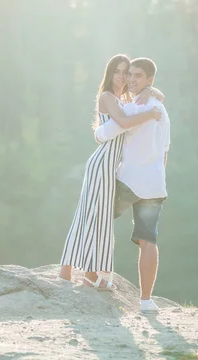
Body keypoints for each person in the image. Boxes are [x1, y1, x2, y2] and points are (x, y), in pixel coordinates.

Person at [59, 54, 164, 289]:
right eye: (117, 72)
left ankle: (66, 270)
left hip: (110, 165)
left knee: (89, 213)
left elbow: (154, 98)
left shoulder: (124, 98)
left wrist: (152, 91)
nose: (122, 77)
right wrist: (150, 113)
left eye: (126, 72)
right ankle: (90, 274)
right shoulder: (107, 96)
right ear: (109, 74)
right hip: (103, 163)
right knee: (98, 217)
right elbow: (125, 123)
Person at [94, 57, 170, 313]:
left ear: (149, 79)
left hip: (129, 181)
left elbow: (106, 132)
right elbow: (165, 152)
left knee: (97, 217)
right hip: (155, 185)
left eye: (138, 76)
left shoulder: (136, 108)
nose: (131, 79)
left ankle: (95, 274)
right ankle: (146, 302)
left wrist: (97, 133)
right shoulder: (161, 109)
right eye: (131, 75)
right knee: (148, 241)